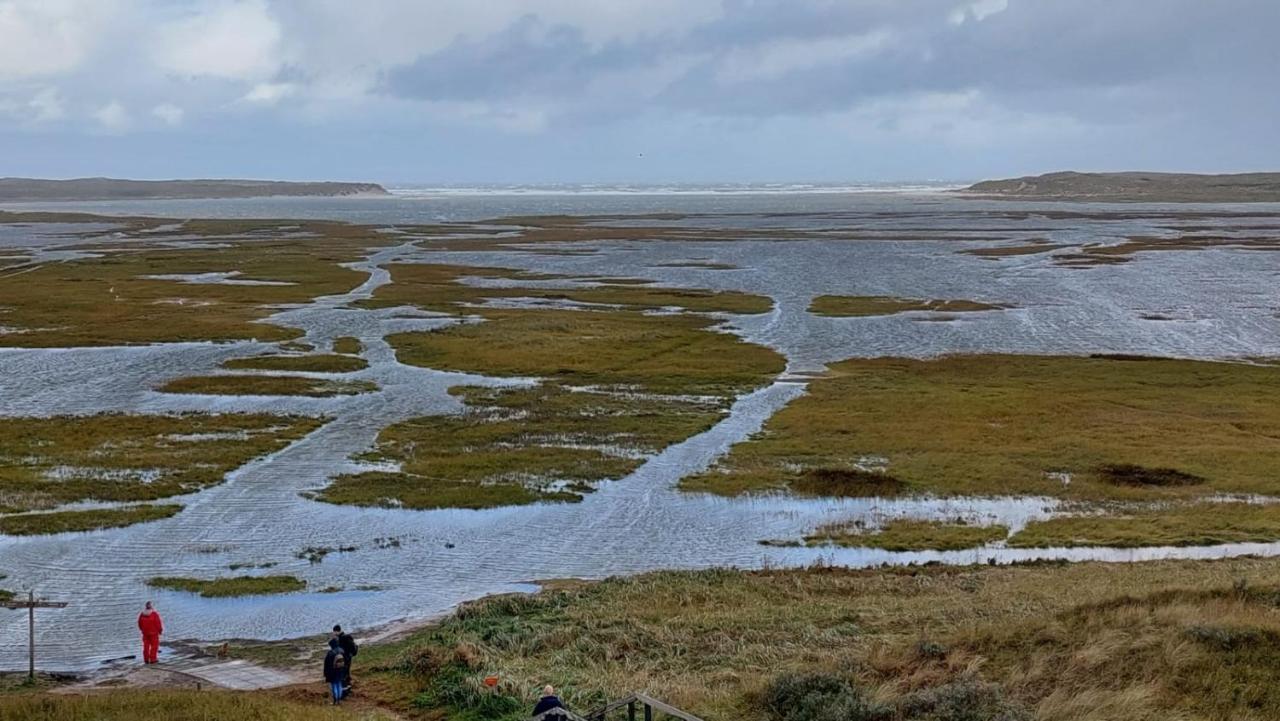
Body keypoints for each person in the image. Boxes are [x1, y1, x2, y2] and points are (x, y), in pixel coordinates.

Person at [332, 624, 358, 693]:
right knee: (346, 672)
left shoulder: (343, 638)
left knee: (344, 673)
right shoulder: (344, 637)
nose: (333, 633)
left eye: (334, 632)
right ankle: (348, 687)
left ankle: (346, 689)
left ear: (336, 631)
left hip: (345, 658)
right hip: (347, 657)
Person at [323, 638, 348, 705]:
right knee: (339, 684)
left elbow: (326, 665)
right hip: (341, 671)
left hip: (333, 672)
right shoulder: (342, 650)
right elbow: (346, 661)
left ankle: (335, 701)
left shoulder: (330, 653)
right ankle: (339, 700)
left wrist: (325, 674)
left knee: (334, 686)